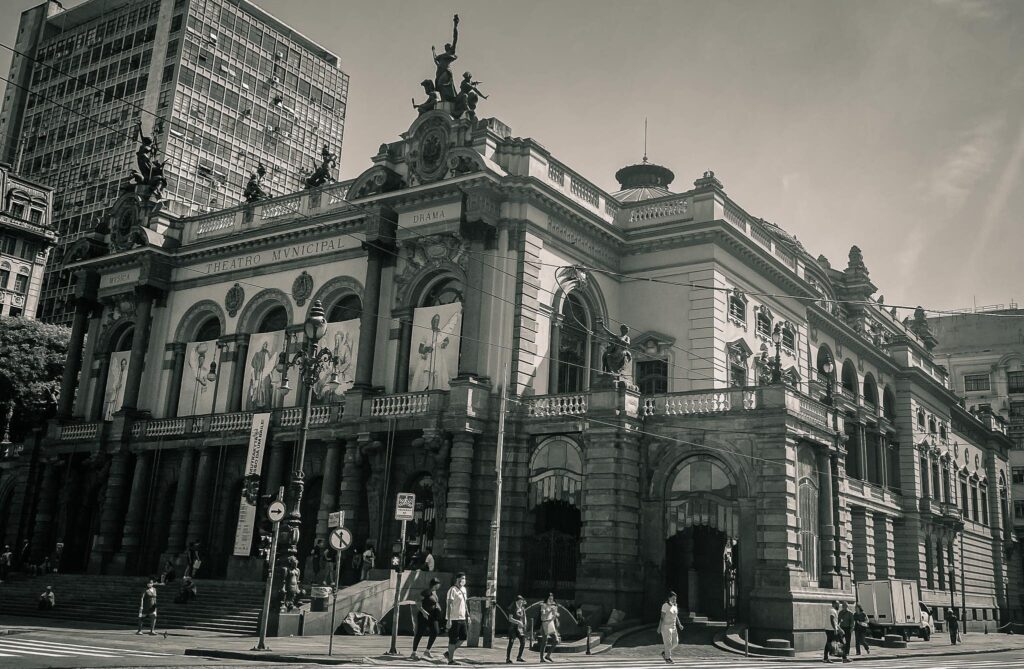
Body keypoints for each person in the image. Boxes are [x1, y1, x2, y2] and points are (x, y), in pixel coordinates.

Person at [412, 577, 442, 659]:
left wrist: (438, 608)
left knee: (435, 631)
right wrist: (423, 611)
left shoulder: (435, 592)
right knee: (420, 633)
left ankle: (427, 651)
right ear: (435, 585)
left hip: (433, 615)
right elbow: (417, 601)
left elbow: (435, 602)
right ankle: (413, 652)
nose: (439, 585)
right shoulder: (426, 592)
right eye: (438, 584)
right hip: (424, 615)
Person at [444, 572, 469, 665]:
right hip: (454, 618)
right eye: (462, 578)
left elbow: (465, 603)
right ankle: (450, 660)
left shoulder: (464, 589)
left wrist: (468, 615)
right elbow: (449, 605)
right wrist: (449, 619)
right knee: (453, 639)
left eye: (465, 578)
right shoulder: (452, 590)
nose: (464, 580)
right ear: (457, 579)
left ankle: (448, 653)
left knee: (463, 637)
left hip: (462, 618)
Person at [659, 591, 685, 663]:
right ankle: (668, 658)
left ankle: (665, 652)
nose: (674, 600)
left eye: (675, 599)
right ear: (669, 598)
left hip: (673, 627)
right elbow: (662, 617)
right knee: (668, 643)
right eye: (673, 598)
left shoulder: (675, 605)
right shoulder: (665, 605)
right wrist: (659, 627)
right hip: (666, 627)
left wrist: (679, 625)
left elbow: (676, 616)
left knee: (676, 643)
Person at [505, 594, 527, 663]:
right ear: (516, 601)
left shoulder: (522, 608)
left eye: (522, 601)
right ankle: (508, 658)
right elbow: (510, 619)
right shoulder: (512, 607)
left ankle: (519, 657)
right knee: (511, 643)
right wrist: (518, 622)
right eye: (519, 602)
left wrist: (525, 623)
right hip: (513, 628)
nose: (521, 603)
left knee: (523, 641)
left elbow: (524, 616)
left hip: (520, 629)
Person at [539, 593, 560, 663]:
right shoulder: (543, 605)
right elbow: (543, 616)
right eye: (550, 599)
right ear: (547, 599)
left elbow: (554, 616)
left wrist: (555, 613)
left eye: (552, 599)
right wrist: (550, 610)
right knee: (544, 641)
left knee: (556, 640)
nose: (551, 600)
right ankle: (541, 658)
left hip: (550, 624)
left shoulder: (552, 606)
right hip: (545, 623)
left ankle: (548, 655)